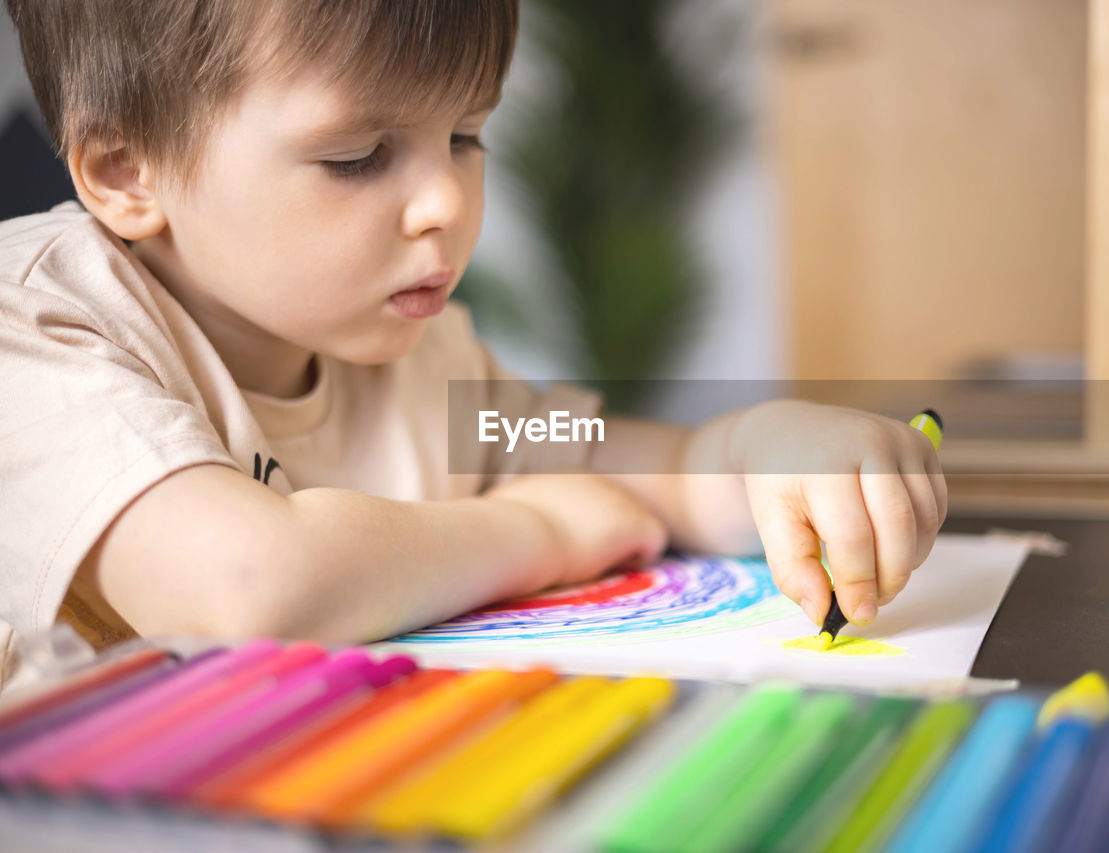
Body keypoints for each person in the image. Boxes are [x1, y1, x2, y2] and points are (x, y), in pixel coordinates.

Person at [0, 0, 946, 683]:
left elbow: (634, 466)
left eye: (465, 136)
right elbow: (250, 584)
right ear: (126, 171)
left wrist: (766, 452)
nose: (447, 203)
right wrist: (541, 531)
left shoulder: (427, 367)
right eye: (357, 157)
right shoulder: (39, 326)